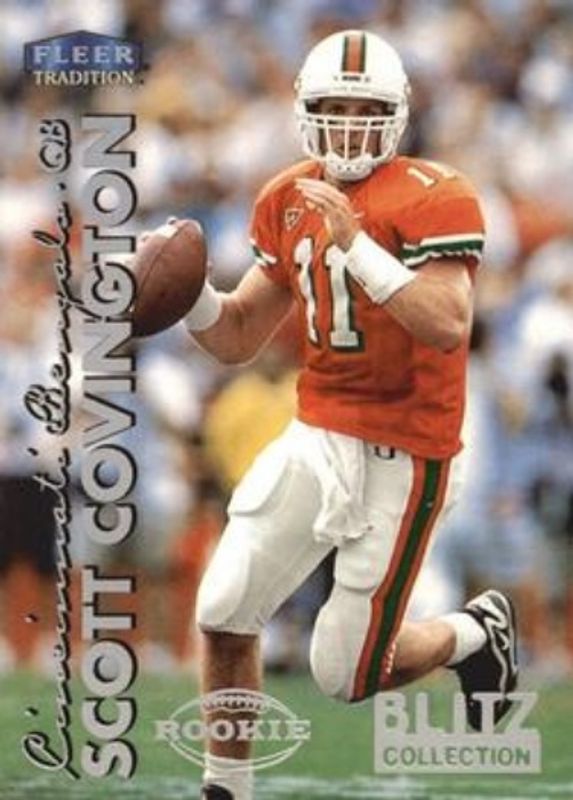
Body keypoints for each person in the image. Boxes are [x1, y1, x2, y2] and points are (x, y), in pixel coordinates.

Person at [174, 30, 518, 800]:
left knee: (344, 674)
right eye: (334, 106)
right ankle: (226, 787)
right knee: (224, 609)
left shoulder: (434, 192)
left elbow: (446, 323)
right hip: (317, 432)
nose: (348, 125)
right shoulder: (284, 195)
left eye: (366, 110)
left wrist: (356, 245)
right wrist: (184, 298)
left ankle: (472, 632)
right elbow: (236, 335)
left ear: (397, 115)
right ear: (304, 108)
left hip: (407, 451)